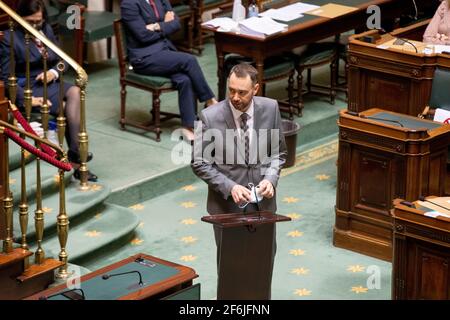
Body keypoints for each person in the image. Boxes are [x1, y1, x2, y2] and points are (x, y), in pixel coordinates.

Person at [191, 63, 287, 299]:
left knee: (263, 264)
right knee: (232, 269)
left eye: (242, 92)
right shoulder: (209, 116)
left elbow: (278, 153)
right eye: (231, 90)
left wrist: (270, 179)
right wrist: (230, 186)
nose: (235, 97)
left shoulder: (271, 108)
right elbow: (199, 162)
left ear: (256, 88)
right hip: (227, 209)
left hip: (263, 206)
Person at [0, 0, 97, 181]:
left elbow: (63, 59)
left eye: (39, 21)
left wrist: (53, 72)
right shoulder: (8, 37)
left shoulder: (47, 30)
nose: (36, 26)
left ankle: (75, 155)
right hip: (27, 86)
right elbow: (6, 78)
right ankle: (78, 161)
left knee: (76, 92)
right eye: (31, 22)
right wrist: (27, 100)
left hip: (50, 82)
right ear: (19, 18)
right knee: (65, 106)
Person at [120, 0, 217, 141]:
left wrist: (156, 26)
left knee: (185, 79)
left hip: (164, 51)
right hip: (144, 58)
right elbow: (143, 36)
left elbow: (176, 23)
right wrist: (165, 26)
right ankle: (210, 101)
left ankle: (188, 126)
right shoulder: (129, 4)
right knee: (189, 60)